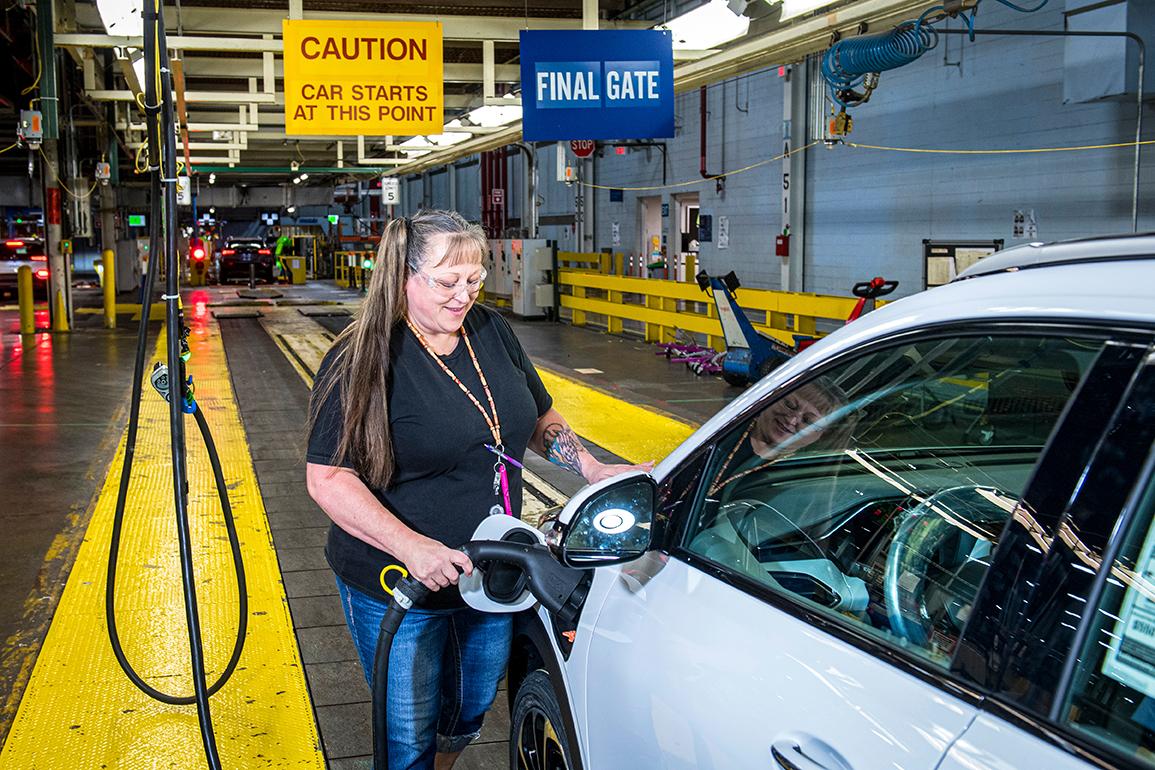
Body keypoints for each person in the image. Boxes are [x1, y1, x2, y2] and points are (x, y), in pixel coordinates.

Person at [305, 209, 648, 770]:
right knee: (407, 730)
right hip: (400, 580)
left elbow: (538, 416)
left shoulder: (492, 331)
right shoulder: (363, 356)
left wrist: (589, 467)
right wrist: (412, 547)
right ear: (402, 277)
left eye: (474, 281)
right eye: (446, 282)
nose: (463, 296)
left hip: (492, 570)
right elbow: (328, 478)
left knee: (466, 714)